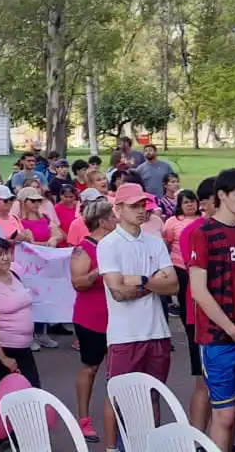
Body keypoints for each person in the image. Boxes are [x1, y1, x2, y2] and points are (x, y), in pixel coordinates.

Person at [97, 183, 179, 442]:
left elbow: (174, 285)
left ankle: (149, 444)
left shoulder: (155, 242)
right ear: (118, 209)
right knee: (118, 396)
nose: (141, 210)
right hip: (125, 335)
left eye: (143, 205)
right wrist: (154, 282)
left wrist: (140, 280)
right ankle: (113, 448)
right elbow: (118, 293)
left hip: (156, 332)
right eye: (135, 206)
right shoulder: (108, 245)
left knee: (154, 394)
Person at [186, 168, 235, 452]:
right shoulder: (202, 233)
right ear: (222, 195)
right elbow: (198, 291)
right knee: (224, 412)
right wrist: (232, 330)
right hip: (218, 336)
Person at [0, 237, 40, 418]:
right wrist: (3, 358)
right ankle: (4, 441)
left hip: (24, 347)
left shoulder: (15, 274)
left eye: (5, 253)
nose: (4, 258)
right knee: (7, 400)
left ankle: (27, 439)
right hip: (4, 349)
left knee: (32, 395)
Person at [70, 200, 116, 444]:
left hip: (118, 316)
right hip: (91, 317)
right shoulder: (84, 248)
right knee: (91, 367)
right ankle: (83, 418)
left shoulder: (115, 243)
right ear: (103, 221)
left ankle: (117, 419)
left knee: (117, 370)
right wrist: (98, 271)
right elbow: (78, 282)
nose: (117, 220)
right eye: (113, 216)